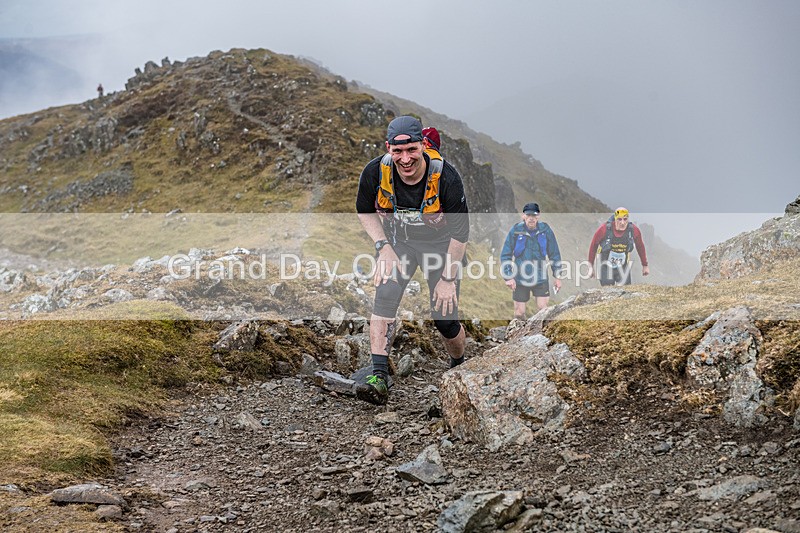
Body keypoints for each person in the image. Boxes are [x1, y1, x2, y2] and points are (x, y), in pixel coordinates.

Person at [355, 116, 470, 405]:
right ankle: (378, 377)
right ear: (389, 148)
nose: (405, 159)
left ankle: (459, 366)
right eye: (398, 151)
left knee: (444, 318)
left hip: (440, 246)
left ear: (422, 147)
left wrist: (447, 279)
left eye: (411, 151)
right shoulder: (375, 171)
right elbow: (364, 210)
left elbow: (461, 233)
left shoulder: (446, 177)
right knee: (385, 295)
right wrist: (383, 247)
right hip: (399, 243)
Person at [500, 202, 563, 320]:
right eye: (528, 216)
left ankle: (540, 336)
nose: (531, 219)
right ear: (523, 216)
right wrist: (508, 277)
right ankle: (520, 336)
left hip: (540, 277)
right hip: (520, 278)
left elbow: (554, 254)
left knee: (543, 309)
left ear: (538, 216)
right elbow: (505, 255)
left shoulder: (546, 230)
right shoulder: (515, 230)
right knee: (519, 313)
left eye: (534, 216)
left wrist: (558, 277)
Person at [587, 207, 650, 286]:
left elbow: (640, 246)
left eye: (625, 219)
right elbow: (593, 246)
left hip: (623, 266)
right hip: (605, 266)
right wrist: (590, 266)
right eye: (619, 219)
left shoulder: (634, 230)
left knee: (626, 292)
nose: (622, 223)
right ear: (615, 219)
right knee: (608, 291)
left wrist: (645, 265)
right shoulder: (604, 229)